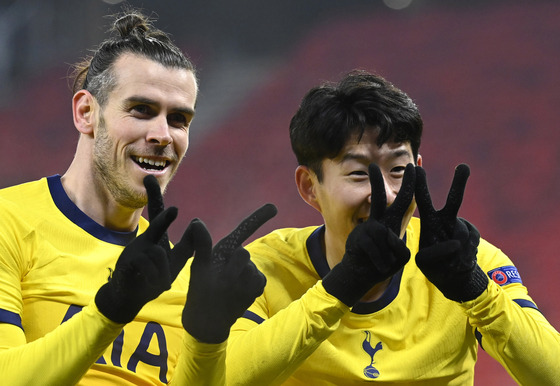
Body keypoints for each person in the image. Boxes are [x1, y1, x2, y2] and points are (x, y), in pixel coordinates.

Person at [226, 70, 560, 385]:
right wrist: (342, 286)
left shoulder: (468, 262)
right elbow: (221, 379)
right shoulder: (262, 270)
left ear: (418, 169)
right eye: (359, 174)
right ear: (310, 186)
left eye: (398, 170)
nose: (384, 194)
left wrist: (474, 290)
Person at [0, 9, 276, 385]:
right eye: (141, 110)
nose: (163, 134)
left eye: (179, 119)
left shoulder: (174, 274)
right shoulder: (8, 221)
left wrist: (207, 339)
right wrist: (110, 309)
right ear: (86, 113)